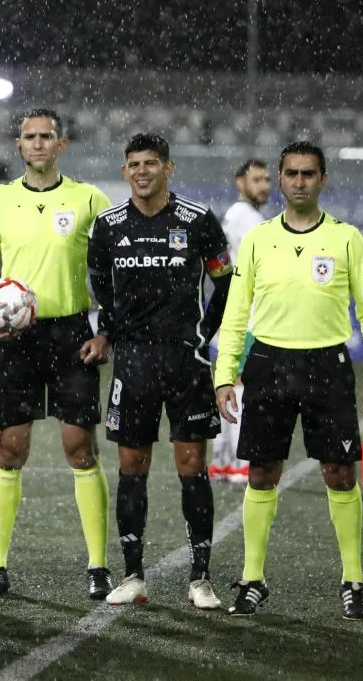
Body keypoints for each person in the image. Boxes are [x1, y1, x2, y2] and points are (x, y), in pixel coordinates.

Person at [216, 141, 363, 620]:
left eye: (308, 174)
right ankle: (253, 579)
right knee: (262, 471)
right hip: (268, 363)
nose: (298, 182)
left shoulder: (347, 239)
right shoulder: (257, 240)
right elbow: (236, 312)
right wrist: (224, 373)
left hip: (327, 367)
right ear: (281, 177)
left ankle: (353, 581)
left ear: (323, 180)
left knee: (339, 473)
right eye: (290, 173)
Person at [0, 109, 113, 600]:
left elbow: (111, 271)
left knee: (80, 448)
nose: (37, 144)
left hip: (72, 334)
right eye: (28, 137)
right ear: (18, 145)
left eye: (45, 137)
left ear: (61, 144)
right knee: (10, 450)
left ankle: (97, 566)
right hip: (15, 339)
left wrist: (106, 329)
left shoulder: (90, 199)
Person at [87, 133, 233, 610]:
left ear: (169, 168)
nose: (142, 171)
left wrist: (204, 335)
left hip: (186, 363)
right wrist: (109, 331)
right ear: (125, 170)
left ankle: (200, 579)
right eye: (134, 164)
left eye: (152, 163)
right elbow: (100, 288)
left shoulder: (198, 221)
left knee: (192, 466)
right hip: (133, 363)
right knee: (133, 467)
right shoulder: (108, 226)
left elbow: (224, 283)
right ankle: (133, 576)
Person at [209, 159, 271, 485]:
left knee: (229, 386)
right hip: (247, 317)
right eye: (257, 179)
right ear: (240, 182)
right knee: (241, 388)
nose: (264, 185)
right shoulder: (246, 218)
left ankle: (222, 462)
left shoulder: (239, 216)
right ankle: (240, 464)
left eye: (266, 179)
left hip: (236, 313)